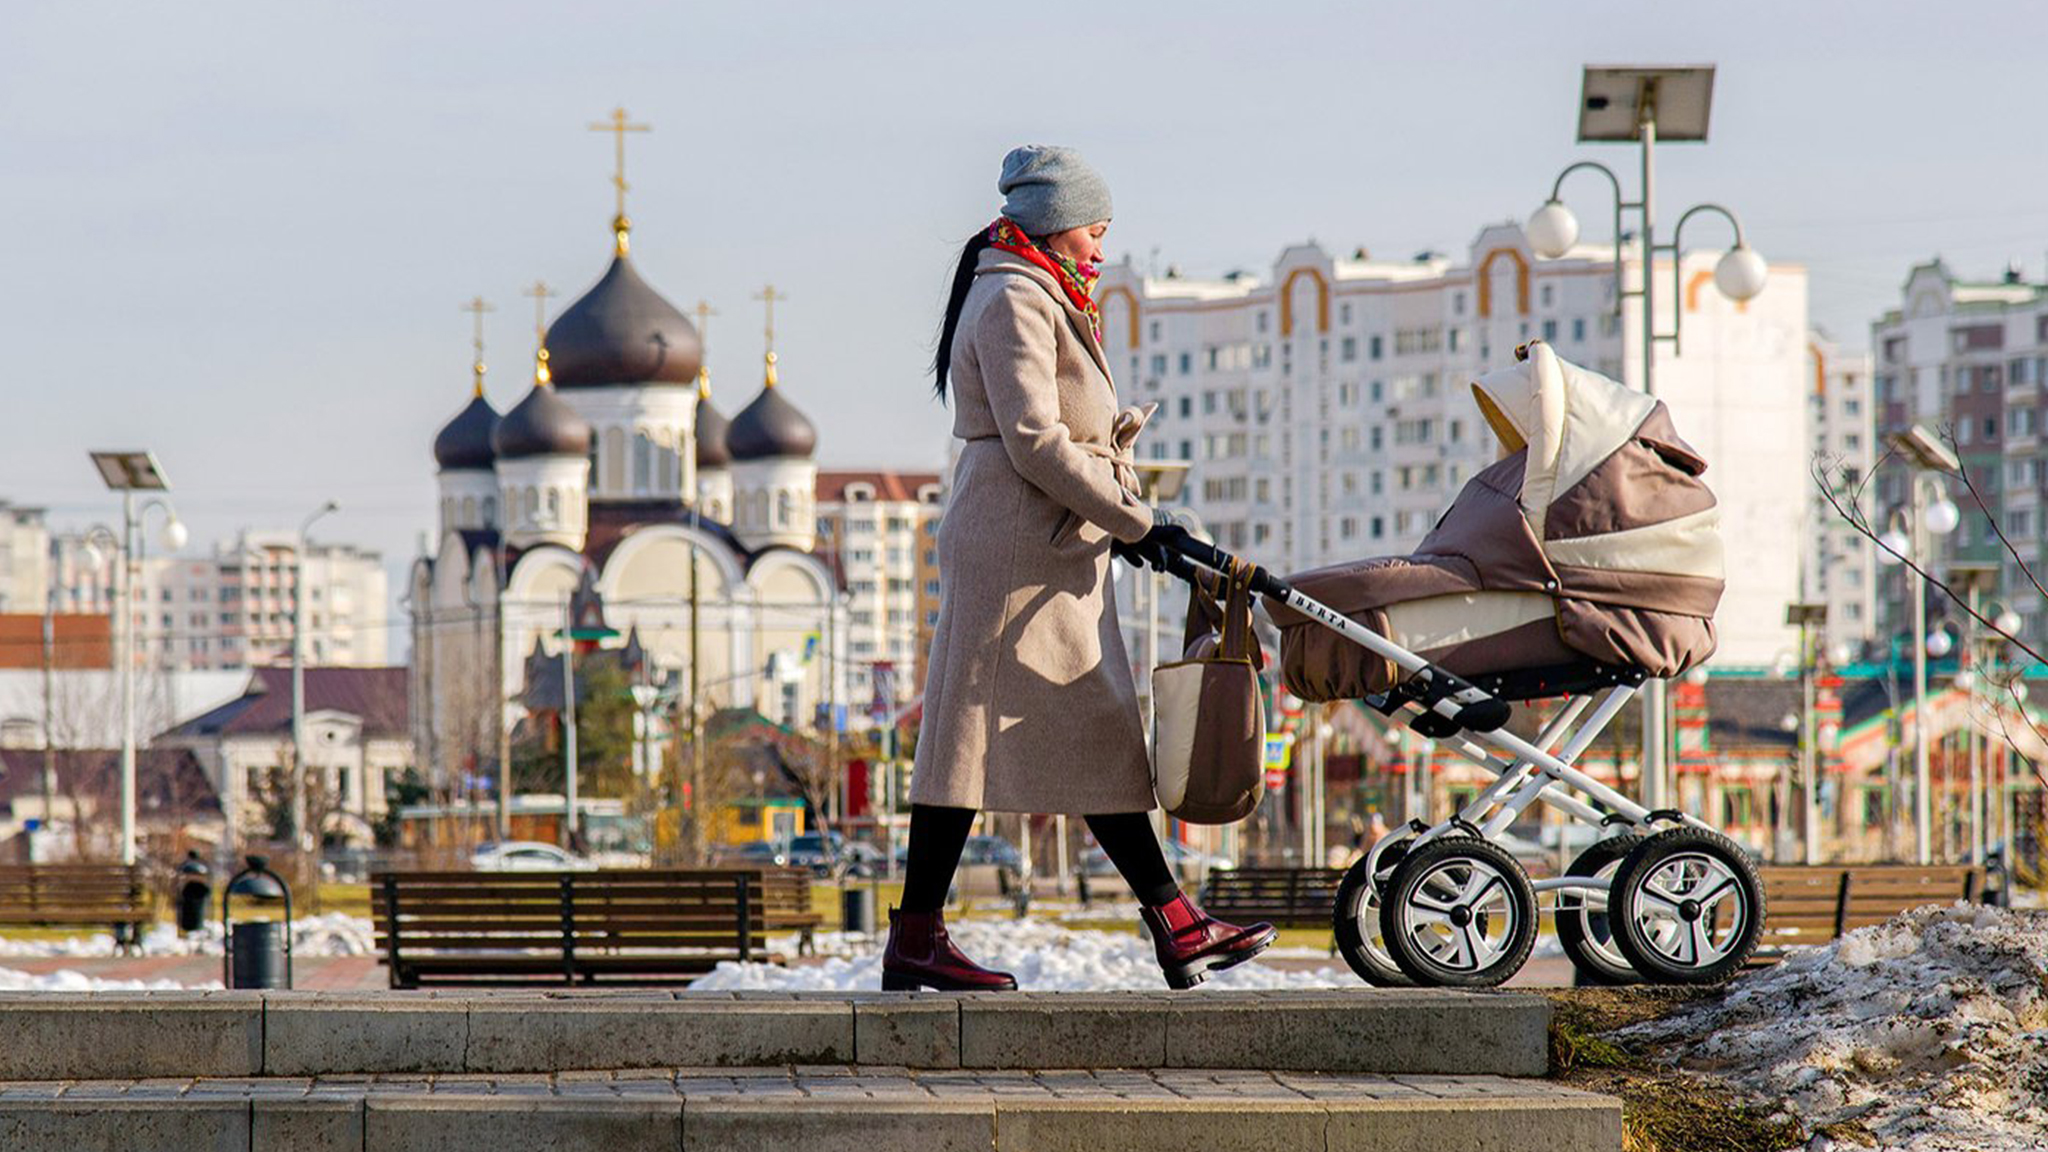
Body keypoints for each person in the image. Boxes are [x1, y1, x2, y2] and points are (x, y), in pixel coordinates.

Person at [882, 145, 1275, 992]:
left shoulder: (1034, 289)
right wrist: (1134, 519)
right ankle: (1167, 921)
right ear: (1057, 224)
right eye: (1097, 229)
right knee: (974, 740)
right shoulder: (1013, 297)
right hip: (1022, 544)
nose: (1102, 247)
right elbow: (1034, 439)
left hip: (1046, 541)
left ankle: (1169, 923)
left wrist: (1127, 522)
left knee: (1060, 732)